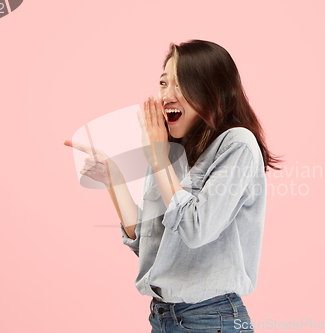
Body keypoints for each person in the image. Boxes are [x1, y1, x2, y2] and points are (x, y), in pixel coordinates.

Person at [64, 39, 283, 333]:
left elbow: (196, 229)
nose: (166, 95)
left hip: (212, 319)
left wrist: (157, 159)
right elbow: (149, 245)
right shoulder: (168, 151)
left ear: (211, 89)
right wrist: (113, 179)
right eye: (163, 83)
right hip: (163, 318)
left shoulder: (237, 145)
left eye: (179, 84)